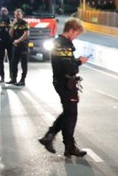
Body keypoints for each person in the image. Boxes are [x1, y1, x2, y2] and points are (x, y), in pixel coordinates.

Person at [37, 18, 89, 158]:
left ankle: (56, 140)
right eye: (76, 34)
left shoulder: (57, 42)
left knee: (68, 113)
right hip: (65, 82)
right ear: (71, 30)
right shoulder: (64, 45)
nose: (76, 37)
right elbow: (70, 66)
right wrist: (79, 61)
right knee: (71, 115)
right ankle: (63, 143)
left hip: (60, 81)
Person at [9, 8, 30, 86]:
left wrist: (18, 41)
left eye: (18, 14)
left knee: (23, 64)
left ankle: (22, 80)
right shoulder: (15, 24)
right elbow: (10, 33)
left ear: (22, 15)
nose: (17, 16)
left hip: (23, 46)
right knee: (14, 63)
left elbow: (26, 34)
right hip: (16, 46)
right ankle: (14, 79)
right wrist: (13, 24)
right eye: (15, 15)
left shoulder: (24, 23)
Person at [0, 7, 13, 83]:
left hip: (9, 42)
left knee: (11, 60)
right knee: (1, 60)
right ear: (0, 12)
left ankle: (12, 76)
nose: (4, 12)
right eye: (2, 11)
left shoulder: (10, 20)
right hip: (0, 42)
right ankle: (2, 77)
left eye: (5, 11)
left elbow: (13, 30)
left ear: (7, 12)